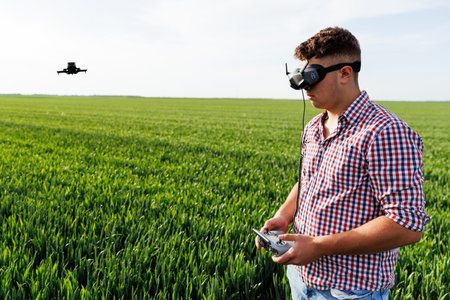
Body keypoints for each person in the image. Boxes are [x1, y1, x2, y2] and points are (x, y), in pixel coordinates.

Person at [255, 27, 429, 299]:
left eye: (311, 76)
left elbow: (406, 225)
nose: (305, 87)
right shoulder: (314, 126)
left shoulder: (385, 131)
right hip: (301, 278)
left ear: (345, 73)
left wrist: (318, 246)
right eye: (299, 78)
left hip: (350, 291)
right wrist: (283, 216)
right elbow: (308, 180)